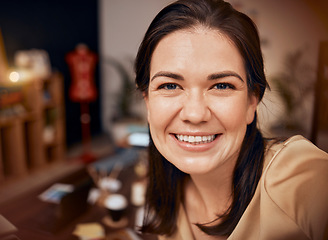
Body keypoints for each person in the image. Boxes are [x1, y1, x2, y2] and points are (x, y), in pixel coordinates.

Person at [134, 0, 328, 239]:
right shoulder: (169, 200)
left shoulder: (298, 176)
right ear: (148, 103)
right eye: (170, 85)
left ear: (251, 101)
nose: (195, 115)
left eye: (222, 85)